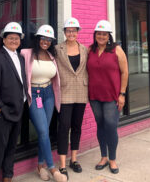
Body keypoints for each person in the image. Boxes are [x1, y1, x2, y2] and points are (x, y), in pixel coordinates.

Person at [21, 25, 67, 182]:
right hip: (34, 95)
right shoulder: (26, 54)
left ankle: (40, 165)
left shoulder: (51, 55)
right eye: (43, 38)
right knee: (43, 131)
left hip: (48, 95)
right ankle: (52, 168)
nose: (46, 42)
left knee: (44, 132)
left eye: (49, 39)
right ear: (37, 39)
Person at [0, 22, 28, 182]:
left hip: (18, 110)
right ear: (4, 40)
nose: (14, 41)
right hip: (3, 112)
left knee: (11, 147)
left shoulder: (21, 58)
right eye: (10, 38)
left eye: (17, 38)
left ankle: (8, 176)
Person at [86, 20, 128, 174]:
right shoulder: (90, 49)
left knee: (110, 126)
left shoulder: (117, 50)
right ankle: (103, 156)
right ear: (95, 35)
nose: (101, 36)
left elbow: (125, 72)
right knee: (101, 125)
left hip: (112, 97)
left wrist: (122, 94)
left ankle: (112, 159)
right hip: (95, 96)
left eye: (104, 34)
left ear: (109, 35)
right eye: (99, 34)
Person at [55, 18, 88, 180]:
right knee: (64, 127)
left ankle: (74, 159)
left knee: (77, 126)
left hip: (81, 91)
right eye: (68, 30)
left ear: (78, 32)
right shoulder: (57, 49)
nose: (71, 33)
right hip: (65, 92)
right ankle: (62, 163)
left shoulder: (84, 49)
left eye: (74, 30)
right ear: (64, 32)